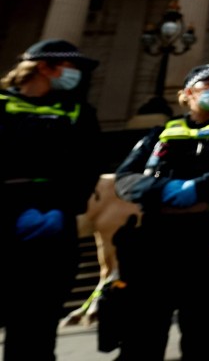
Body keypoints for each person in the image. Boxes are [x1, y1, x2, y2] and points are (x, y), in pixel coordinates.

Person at [113, 63, 209, 360]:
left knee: (204, 339)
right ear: (187, 94)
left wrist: (200, 188)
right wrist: (163, 191)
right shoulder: (160, 133)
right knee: (141, 339)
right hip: (155, 245)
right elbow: (125, 178)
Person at [0, 39, 103, 361]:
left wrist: (63, 207)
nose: (75, 76)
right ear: (44, 67)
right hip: (6, 214)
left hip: (49, 225)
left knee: (35, 330)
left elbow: (88, 167)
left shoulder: (76, 112)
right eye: (71, 67)